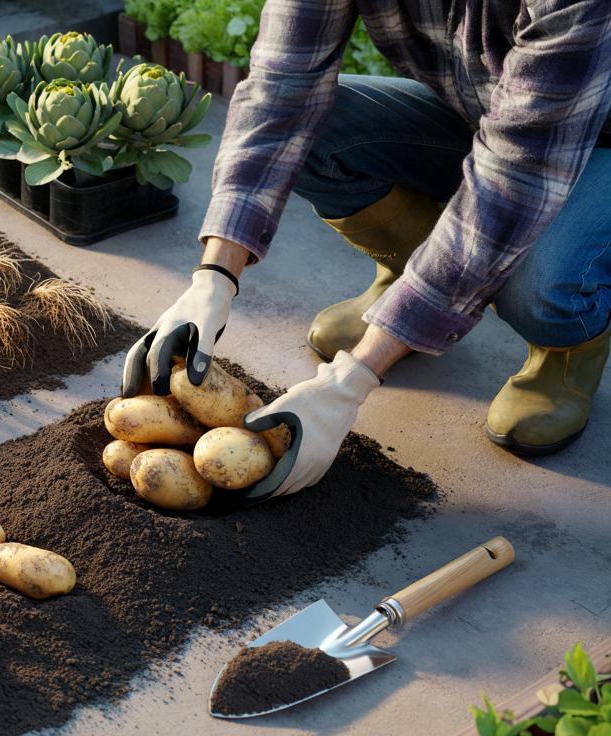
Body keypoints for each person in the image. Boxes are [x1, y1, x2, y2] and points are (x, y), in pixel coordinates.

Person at [123, 0, 611, 501]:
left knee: (529, 276)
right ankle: (410, 296)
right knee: (316, 132)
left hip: (585, 144)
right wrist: (214, 277)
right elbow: (281, 88)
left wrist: (351, 381)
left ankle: (567, 347)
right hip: (486, 118)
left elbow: (513, 186)